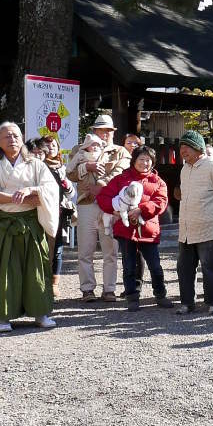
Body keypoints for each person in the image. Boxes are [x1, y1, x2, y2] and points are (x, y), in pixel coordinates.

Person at [0, 122, 59, 331]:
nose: (13, 139)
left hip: (32, 223)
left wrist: (31, 190)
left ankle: (40, 313)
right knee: (5, 270)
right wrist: (17, 197)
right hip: (5, 224)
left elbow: (50, 191)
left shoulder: (36, 164)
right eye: (7, 136)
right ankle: (4, 316)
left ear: (22, 141)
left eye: (16, 136)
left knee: (36, 268)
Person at [97, 145, 172, 312]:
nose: (145, 163)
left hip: (148, 230)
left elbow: (160, 202)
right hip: (125, 230)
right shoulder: (121, 179)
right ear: (134, 161)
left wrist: (141, 210)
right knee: (129, 265)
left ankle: (160, 295)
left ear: (152, 162)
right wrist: (115, 210)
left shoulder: (157, 182)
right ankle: (132, 297)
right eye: (141, 159)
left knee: (155, 266)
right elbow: (103, 197)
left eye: (148, 160)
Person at [65, 115, 129, 302]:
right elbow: (71, 174)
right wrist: (87, 166)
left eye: (109, 130)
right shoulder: (79, 149)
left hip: (110, 204)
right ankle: (87, 289)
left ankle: (109, 289)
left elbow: (121, 173)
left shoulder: (120, 151)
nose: (106, 134)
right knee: (85, 249)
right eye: (102, 130)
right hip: (86, 204)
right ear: (95, 131)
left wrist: (101, 186)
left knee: (111, 249)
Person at [174, 130, 213, 315]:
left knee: (210, 267)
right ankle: (187, 302)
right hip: (187, 228)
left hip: (211, 227)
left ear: (198, 148)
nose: (183, 150)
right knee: (184, 268)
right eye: (181, 147)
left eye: (187, 147)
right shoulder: (184, 169)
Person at [28, 137, 76, 293]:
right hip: (37, 211)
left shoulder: (62, 167)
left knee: (57, 249)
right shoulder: (34, 167)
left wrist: (67, 185)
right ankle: (37, 282)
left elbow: (71, 194)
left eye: (54, 145)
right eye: (47, 146)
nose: (51, 148)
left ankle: (54, 284)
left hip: (59, 212)